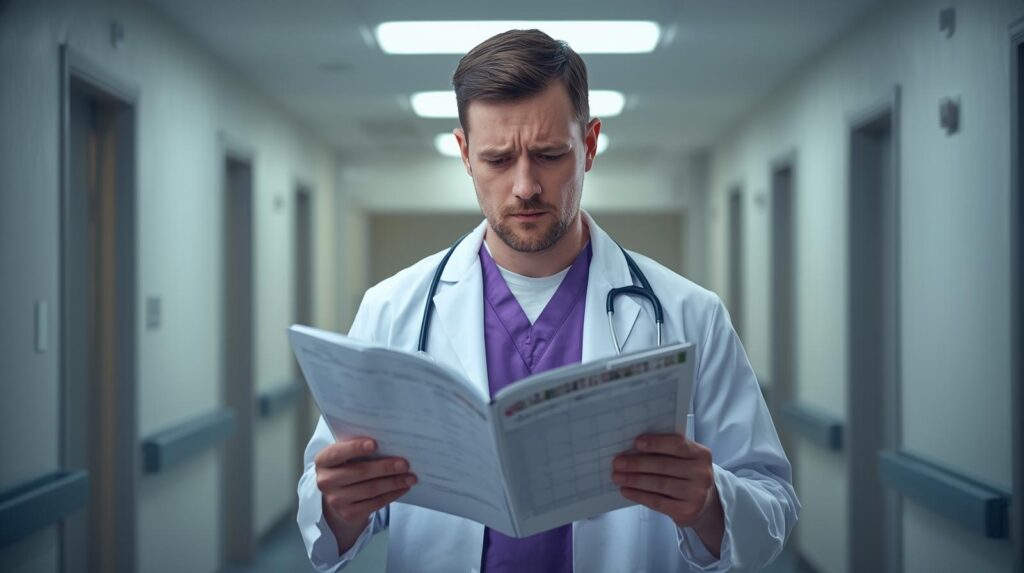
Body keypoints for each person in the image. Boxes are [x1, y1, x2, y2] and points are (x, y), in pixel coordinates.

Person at [297, 29, 799, 572]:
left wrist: (708, 501)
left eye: (549, 154)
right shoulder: (393, 310)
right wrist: (340, 506)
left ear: (590, 145)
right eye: (497, 159)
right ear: (464, 154)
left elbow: (772, 507)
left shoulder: (690, 315)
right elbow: (324, 514)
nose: (525, 186)